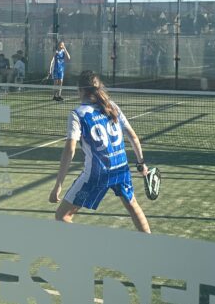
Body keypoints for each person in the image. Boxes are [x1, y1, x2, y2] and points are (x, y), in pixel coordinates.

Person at [48, 70, 152, 233]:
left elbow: (70, 150)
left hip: (96, 175)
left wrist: (58, 186)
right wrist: (141, 163)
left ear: (80, 90)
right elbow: (133, 136)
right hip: (121, 168)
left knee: (62, 216)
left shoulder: (78, 114)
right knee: (133, 206)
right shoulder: (112, 106)